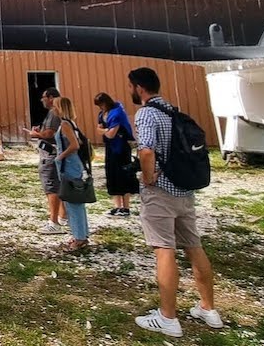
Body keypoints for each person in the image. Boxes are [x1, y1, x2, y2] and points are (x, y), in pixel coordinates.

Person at [129, 67, 224, 338]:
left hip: (161, 191)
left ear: (139, 87)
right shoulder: (173, 111)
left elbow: (146, 150)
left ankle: (168, 317)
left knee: (164, 249)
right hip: (184, 190)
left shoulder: (146, 113)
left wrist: (148, 178)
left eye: (131, 87)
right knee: (194, 247)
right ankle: (208, 308)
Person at [51, 97, 90, 252]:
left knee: (72, 202)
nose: (53, 109)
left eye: (55, 106)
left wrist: (60, 156)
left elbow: (74, 145)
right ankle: (81, 234)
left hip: (69, 165)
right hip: (73, 165)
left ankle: (79, 238)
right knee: (76, 202)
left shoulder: (65, 125)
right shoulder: (71, 123)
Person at [28, 87, 66, 234]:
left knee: (51, 189)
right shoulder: (60, 112)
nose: (42, 100)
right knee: (58, 186)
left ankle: (54, 222)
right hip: (55, 154)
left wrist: (36, 134)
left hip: (50, 155)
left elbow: (50, 133)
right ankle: (63, 217)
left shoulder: (53, 112)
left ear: (50, 98)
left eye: (43, 97)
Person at [95, 92, 139, 217]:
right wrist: (106, 130)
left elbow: (111, 134)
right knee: (111, 174)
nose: (100, 107)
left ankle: (126, 207)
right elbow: (99, 130)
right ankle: (117, 206)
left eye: (101, 104)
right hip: (110, 148)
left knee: (123, 175)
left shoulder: (117, 113)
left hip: (121, 148)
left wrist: (104, 130)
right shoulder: (102, 114)